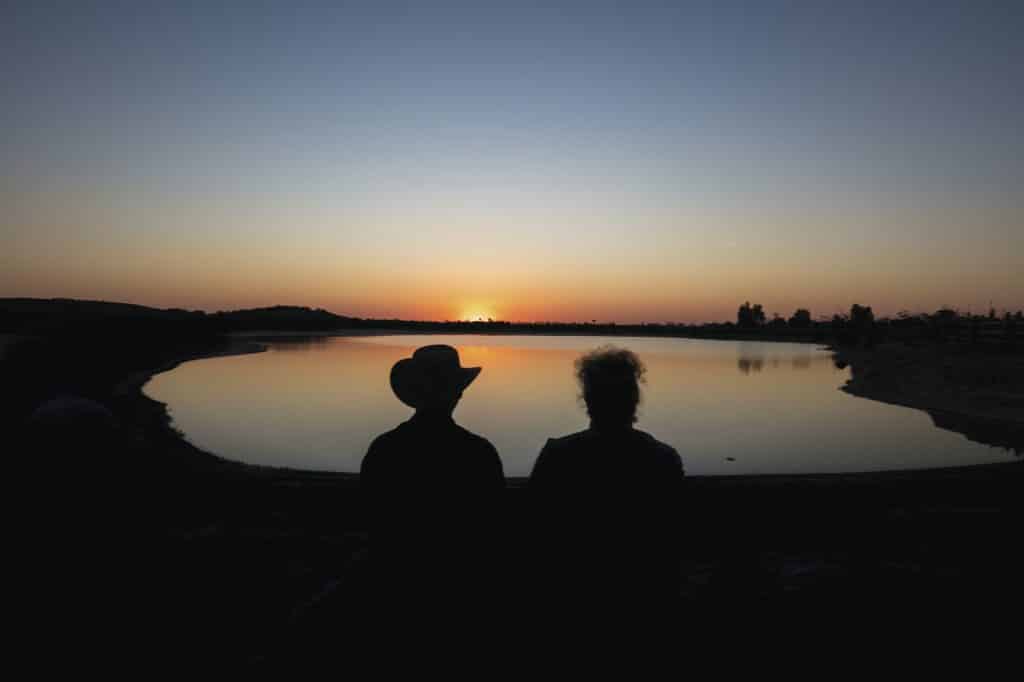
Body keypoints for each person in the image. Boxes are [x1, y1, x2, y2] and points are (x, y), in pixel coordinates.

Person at [528, 346, 685, 611]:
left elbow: (534, 529)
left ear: (587, 399)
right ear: (634, 399)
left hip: (571, 590)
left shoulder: (558, 455)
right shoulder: (664, 458)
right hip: (646, 591)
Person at [360, 344, 505, 617]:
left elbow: (370, 515)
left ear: (413, 393)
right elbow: (492, 524)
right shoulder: (477, 452)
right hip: (461, 584)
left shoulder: (385, 447)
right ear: (458, 394)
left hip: (391, 578)